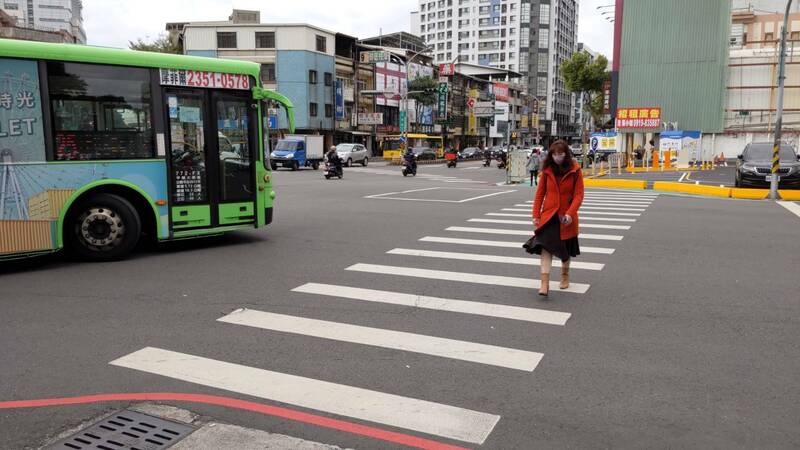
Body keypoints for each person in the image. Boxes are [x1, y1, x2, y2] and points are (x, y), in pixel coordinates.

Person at [531, 140, 585, 297]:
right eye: (554, 154)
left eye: (560, 154)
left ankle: (564, 276)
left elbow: (578, 195)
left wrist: (570, 213)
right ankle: (544, 283)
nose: (557, 157)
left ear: (566, 154)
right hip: (548, 216)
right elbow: (540, 194)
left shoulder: (575, 170)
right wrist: (536, 214)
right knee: (545, 248)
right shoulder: (547, 170)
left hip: (566, 217)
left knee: (565, 250)